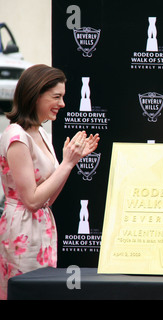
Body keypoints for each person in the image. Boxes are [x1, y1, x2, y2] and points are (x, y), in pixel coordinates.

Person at [0, 64, 100, 299]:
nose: (62, 104)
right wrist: (66, 163)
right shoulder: (16, 137)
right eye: (57, 97)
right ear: (35, 95)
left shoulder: (42, 133)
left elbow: (47, 198)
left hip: (43, 226)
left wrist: (70, 163)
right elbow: (32, 200)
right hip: (22, 230)